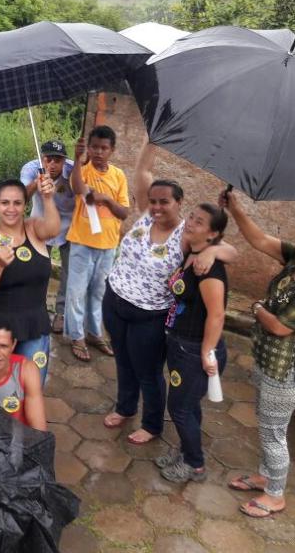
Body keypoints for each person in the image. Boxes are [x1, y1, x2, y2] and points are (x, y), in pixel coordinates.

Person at [102, 141, 235, 445]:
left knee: (147, 371)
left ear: (179, 203)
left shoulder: (185, 234)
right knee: (122, 360)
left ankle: (151, 424)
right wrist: (151, 140)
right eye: (153, 201)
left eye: (165, 202)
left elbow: (232, 252)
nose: (157, 207)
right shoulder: (146, 216)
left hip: (149, 315)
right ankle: (124, 407)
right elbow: (143, 170)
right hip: (115, 300)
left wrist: (212, 253)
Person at [220, 192, 295, 519]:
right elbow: (259, 240)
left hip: (287, 371)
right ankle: (265, 477)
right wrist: (235, 209)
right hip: (267, 362)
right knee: (266, 424)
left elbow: (279, 327)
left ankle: (275, 495)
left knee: (274, 433)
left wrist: (257, 307)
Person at [158, 203, 230, 484]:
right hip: (180, 342)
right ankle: (186, 450)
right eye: (191, 217)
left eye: (199, 222)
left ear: (212, 234)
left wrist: (206, 351)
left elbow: (217, 315)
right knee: (188, 405)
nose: (190, 223)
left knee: (180, 408)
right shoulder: (193, 252)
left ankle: (195, 464)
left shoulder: (210, 271)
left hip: (194, 349)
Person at [0, 178, 60, 384]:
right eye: (5, 202)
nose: (11, 209)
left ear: (25, 205)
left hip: (34, 325)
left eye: (17, 203)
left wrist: (48, 198)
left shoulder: (34, 228)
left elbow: (53, 229)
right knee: (1, 390)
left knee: (31, 388)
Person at [65, 126, 129, 360]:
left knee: (98, 293)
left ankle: (94, 333)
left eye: (104, 148)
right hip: (82, 243)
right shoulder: (82, 171)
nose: (99, 152)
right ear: (88, 148)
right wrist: (77, 158)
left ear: (112, 150)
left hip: (108, 246)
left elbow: (124, 212)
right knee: (76, 292)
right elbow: (77, 188)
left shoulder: (119, 176)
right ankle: (77, 337)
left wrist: (106, 199)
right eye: (94, 147)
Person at [19, 139, 76, 335]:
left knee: (69, 272)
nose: (52, 164)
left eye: (57, 160)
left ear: (64, 161)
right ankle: (37, 308)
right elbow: (21, 197)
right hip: (41, 227)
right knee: (37, 269)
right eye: (48, 159)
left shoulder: (73, 171)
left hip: (69, 228)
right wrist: (36, 183)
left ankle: (61, 313)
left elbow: (82, 194)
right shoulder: (31, 168)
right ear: (42, 159)